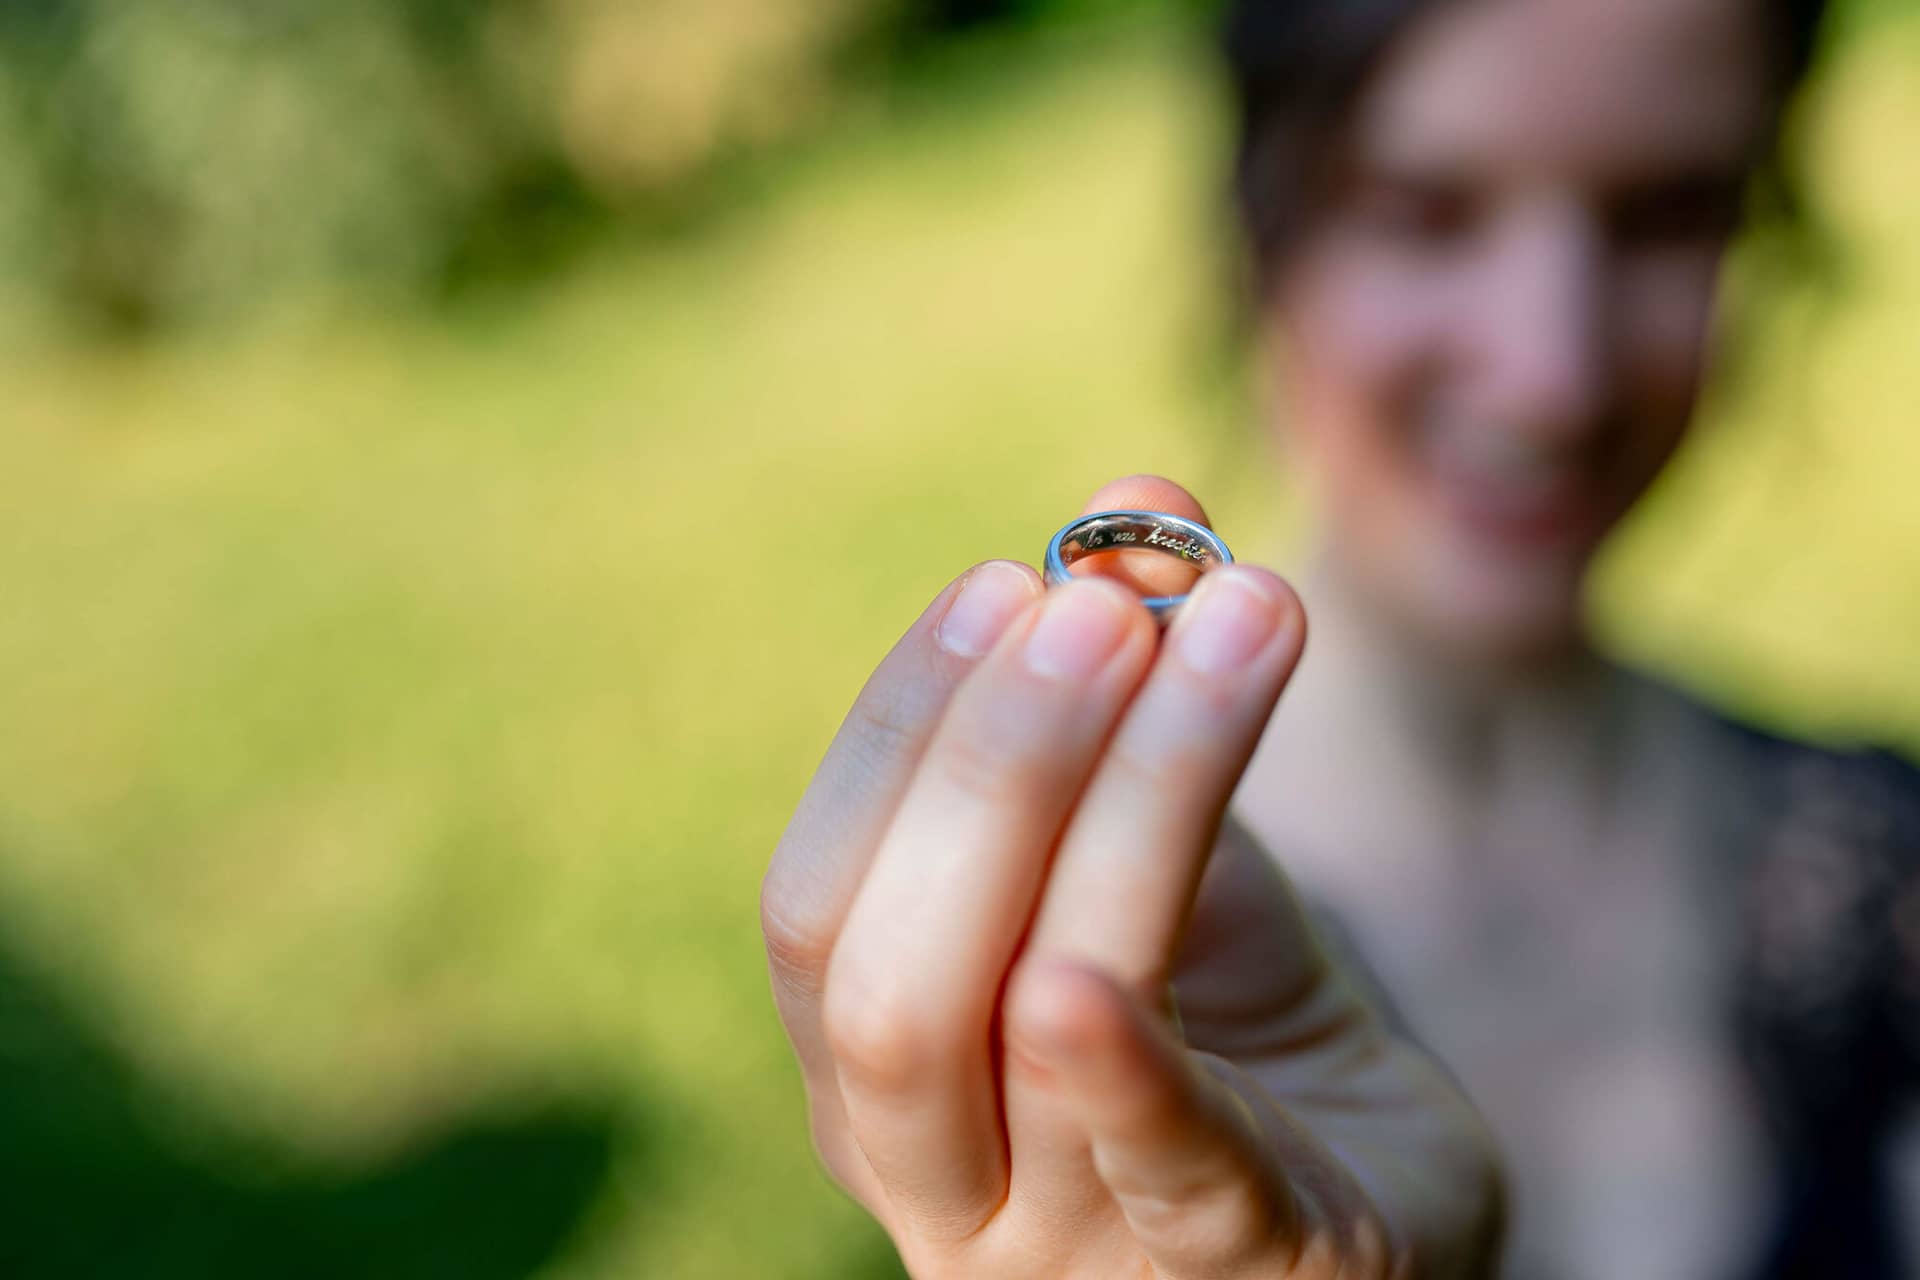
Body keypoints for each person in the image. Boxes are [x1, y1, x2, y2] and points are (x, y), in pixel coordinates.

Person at [761, 0, 1920, 1275]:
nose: (1553, 373)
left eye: (1668, 213)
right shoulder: (1059, 992)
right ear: (1263, 225)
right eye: (1424, 209)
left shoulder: (1881, 868)